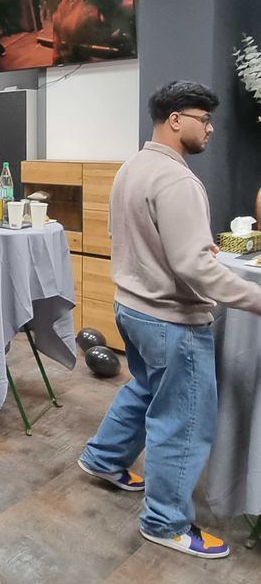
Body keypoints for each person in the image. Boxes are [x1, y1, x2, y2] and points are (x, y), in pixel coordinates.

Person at [77, 81, 261, 559]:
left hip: (131, 308)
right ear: (176, 119)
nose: (211, 129)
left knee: (143, 389)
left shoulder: (132, 167)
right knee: (183, 421)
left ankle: (104, 458)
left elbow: (135, 236)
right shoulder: (179, 180)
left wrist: (192, 250)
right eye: (205, 119)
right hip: (171, 319)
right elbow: (195, 268)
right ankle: (165, 521)